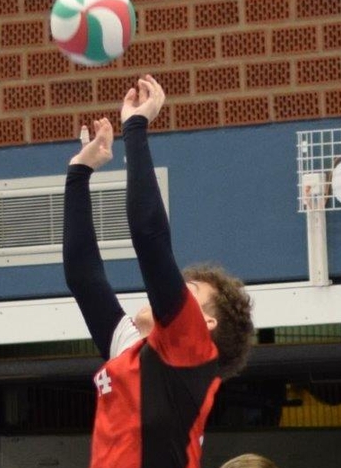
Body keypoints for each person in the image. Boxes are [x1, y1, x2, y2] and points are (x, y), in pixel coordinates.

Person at [63, 74, 255, 468]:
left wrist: (135, 127)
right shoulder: (135, 351)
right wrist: (79, 173)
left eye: (190, 290)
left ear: (206, 322)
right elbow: (84, 278)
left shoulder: (192, 350)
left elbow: (150, 237)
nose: (173, 292)